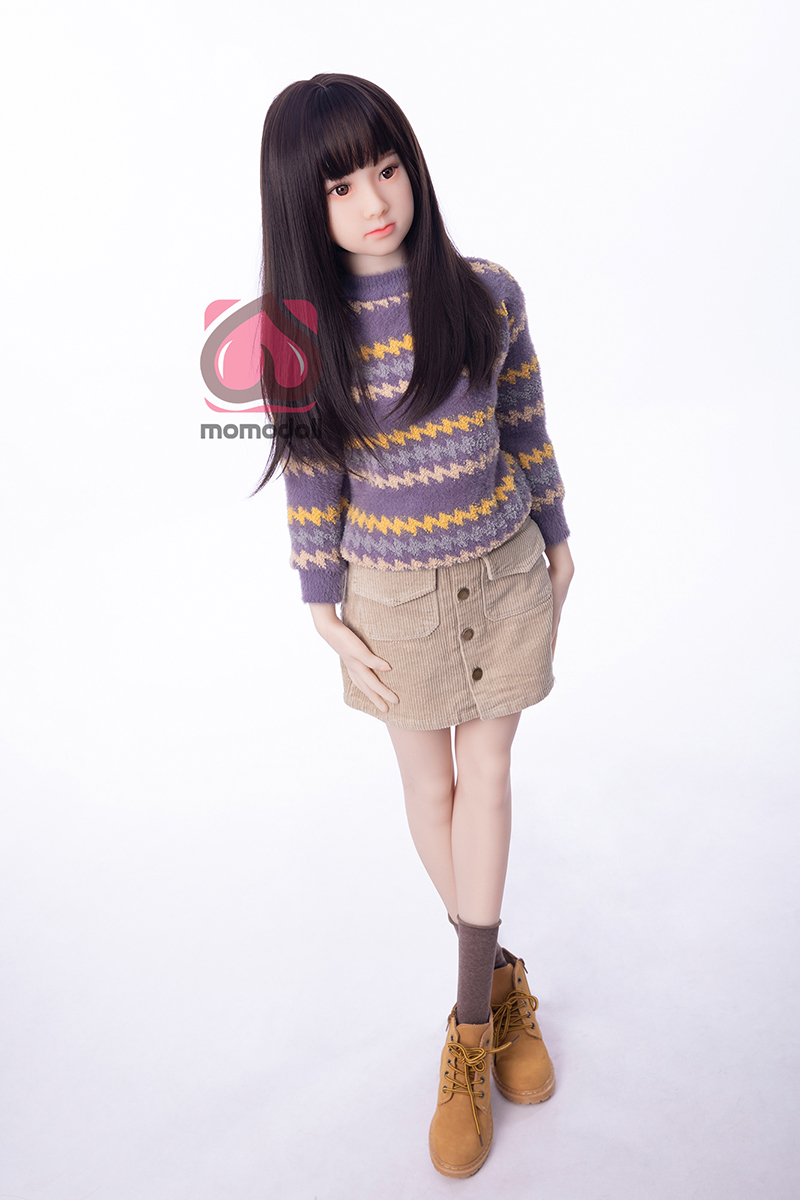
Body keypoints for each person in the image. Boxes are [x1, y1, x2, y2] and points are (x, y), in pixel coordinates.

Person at [253, 72, 574, 1179]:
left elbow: (526, 421)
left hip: (503, 569)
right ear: (303, 206)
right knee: (428, 790)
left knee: (486, 779)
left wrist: (558, 532)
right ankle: (503, 979)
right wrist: (319, 602)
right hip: (391, 596)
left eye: (386, 169)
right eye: (340, 186)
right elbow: (312, 478)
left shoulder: (484, 294)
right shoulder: (303, 335)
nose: (374, 200)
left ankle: (469, 1029)